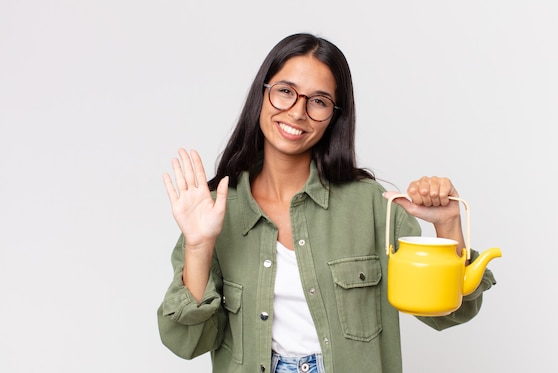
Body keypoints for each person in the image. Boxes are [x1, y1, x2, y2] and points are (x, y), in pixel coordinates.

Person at [157, 33, 496, 373]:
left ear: (334, 115)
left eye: (318, 101)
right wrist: (199, 246)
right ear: (262, 94)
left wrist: (449, 226)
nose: (297, 112)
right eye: (285, 92)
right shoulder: (215, 211)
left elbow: (451, 312)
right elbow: (187, 342)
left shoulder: (372, 206)